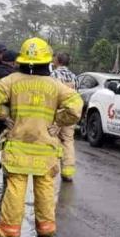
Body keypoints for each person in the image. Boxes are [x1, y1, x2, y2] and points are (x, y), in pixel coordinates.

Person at [0, 37, 83, 237]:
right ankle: (46, 227)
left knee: (16, 185)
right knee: (44, 185)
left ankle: (9, 229)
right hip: (45, 147)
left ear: (22, 60)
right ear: (46, 61)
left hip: (18, 144)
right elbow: (76, 105)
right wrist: (58, 120)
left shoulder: (11, 81)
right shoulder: (55, 85)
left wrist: (5, 116)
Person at [50, 52, 77, 182]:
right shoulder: (74, 77)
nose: (53, 60)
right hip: (70, 113)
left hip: (56, 113)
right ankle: (67, 172)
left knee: (53, 139)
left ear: (58, 60)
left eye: (54, 58)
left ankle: (52, 170)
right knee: (68, 141)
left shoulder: (54, 75)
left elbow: (51, 94)